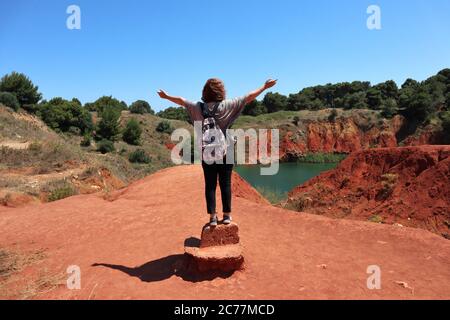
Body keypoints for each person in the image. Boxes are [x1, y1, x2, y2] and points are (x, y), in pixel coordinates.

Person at [157, 78, 277, 226]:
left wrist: (166, 96)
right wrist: (264, 87)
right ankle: (227, 216)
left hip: (206, 153)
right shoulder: (227, 105)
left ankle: (212, 217)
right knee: (225, 184)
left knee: (210, 185)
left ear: (205, 92)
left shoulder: (197, 107)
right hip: (226, 151)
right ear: (221, 92)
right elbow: (248, 97)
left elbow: (181, 100)